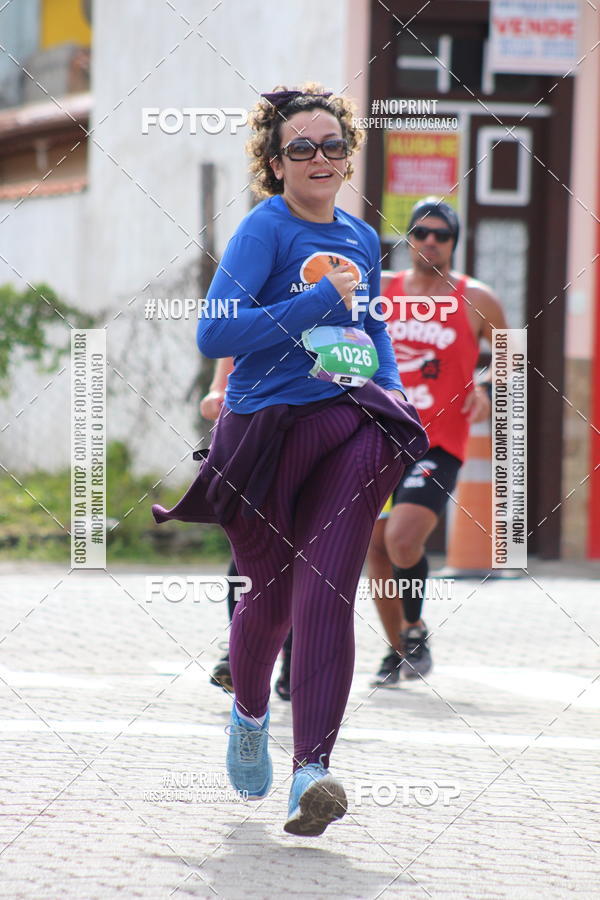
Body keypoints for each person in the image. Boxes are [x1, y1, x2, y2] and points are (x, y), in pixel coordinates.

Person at [153, 83, 428, 836]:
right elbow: (215, 336)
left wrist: (394, 393)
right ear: (276, 163)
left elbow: (371, 330)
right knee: (268, 602)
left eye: (332, 146)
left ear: (348, 157)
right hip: (265, 435)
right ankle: (248, 715)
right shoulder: (264, 232)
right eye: (300, 148)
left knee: (326, 592)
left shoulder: (362, 238)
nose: (318, 158)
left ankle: (314, 769)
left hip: (347, 423)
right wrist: (311, 305)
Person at [367, 197, 507, 687]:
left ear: (454, 243)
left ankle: (417, 626)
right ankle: (397, 649)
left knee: (402, 538)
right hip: (378, 437)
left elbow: (509, 353)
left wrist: (487, 389)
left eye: (441, 235)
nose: (430, 241)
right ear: (407, 239)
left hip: (437, 442)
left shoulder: (478, 299)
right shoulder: (380, 290)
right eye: (421, 232)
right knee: (376, 549)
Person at [201, 358, 293, 700]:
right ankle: (238, 651)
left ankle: (295, 660)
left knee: (298, 555)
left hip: (310, 435)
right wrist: (214, 395)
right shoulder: (247, 310)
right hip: (252, 439)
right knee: (247, 547)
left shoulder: (327, 307)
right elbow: (221, 377)